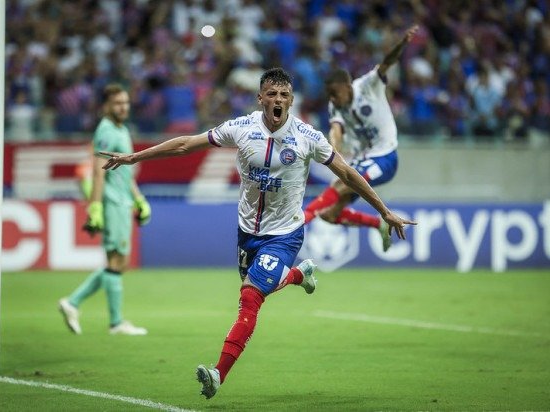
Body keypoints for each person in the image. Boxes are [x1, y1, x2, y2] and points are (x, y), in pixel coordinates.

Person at [100, 68, 415, 398]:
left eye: (284, 95)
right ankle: (298, 275)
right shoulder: (241, 128)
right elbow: (185, 145)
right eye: (272, 94)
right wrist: (135, 157)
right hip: (247, 232)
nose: (278, 100)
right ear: (260, 98)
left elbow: (348, 174)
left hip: (285, 234)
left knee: (250, 298)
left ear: (291, 100)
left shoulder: (307, 137)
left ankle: (218, 373)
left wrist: (383, 210)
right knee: (255, 287)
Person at [304, 25, 419, 252]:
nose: (332, 99)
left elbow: (386, 62)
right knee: (330, 214)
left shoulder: (367, 86)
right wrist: (333, 151)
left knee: (340, 186)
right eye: (329, 95)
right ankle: (378, 224)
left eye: (335, 94)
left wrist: (401, 44)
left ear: (347, 87)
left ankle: (301, 218)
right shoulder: (335, 106)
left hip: (385, 157)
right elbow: (336, 130)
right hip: (361, 159)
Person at [58, 83, 151, 336]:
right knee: (116, 261)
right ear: (106, 106)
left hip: (122, 202)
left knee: (119, 263)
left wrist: (139, 199)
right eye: (118, 103)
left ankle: (73, 303)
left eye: (126, 102)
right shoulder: (106, 131)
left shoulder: (122, 129)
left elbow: (125, 170)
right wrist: (96, 206)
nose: (123, 107)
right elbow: (98, 173)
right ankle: (115, 322)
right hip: (112, 203)